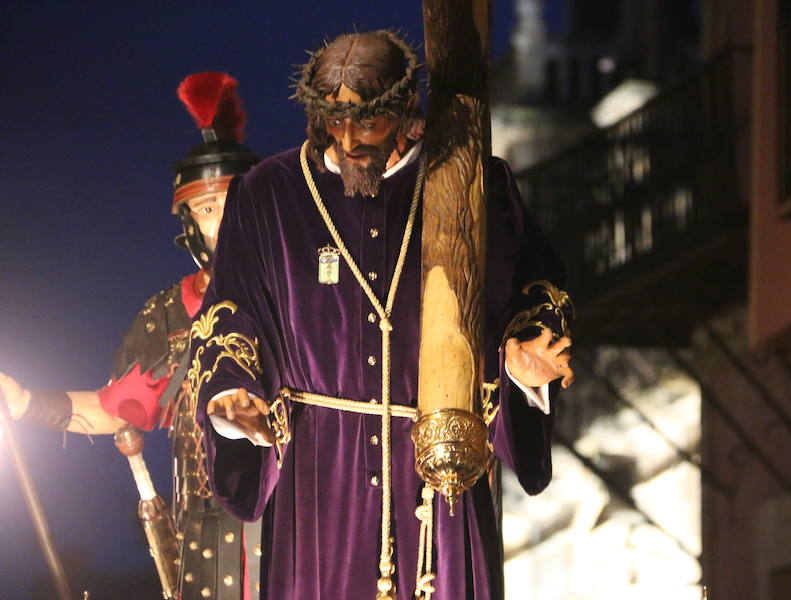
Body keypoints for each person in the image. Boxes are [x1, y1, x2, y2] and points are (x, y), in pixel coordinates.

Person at [189, 30, 574, 600]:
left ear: (402, 108)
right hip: (320, 481)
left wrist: (521, 362)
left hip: (439, 470)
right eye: (333, 122)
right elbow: (229, 312)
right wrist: (231, 391)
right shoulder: (268, 195)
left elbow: (532, 294)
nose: (348, 140)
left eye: (366, 121)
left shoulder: (471, 184)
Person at [0, 72, 263, 600]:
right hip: (208, 540)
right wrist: (26, 402)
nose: (224, 221)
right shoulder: (170, 314)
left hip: (309, 516)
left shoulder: (312, 295)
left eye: (235, 203)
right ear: (189, 223)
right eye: (209, 209)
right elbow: (116, 408)